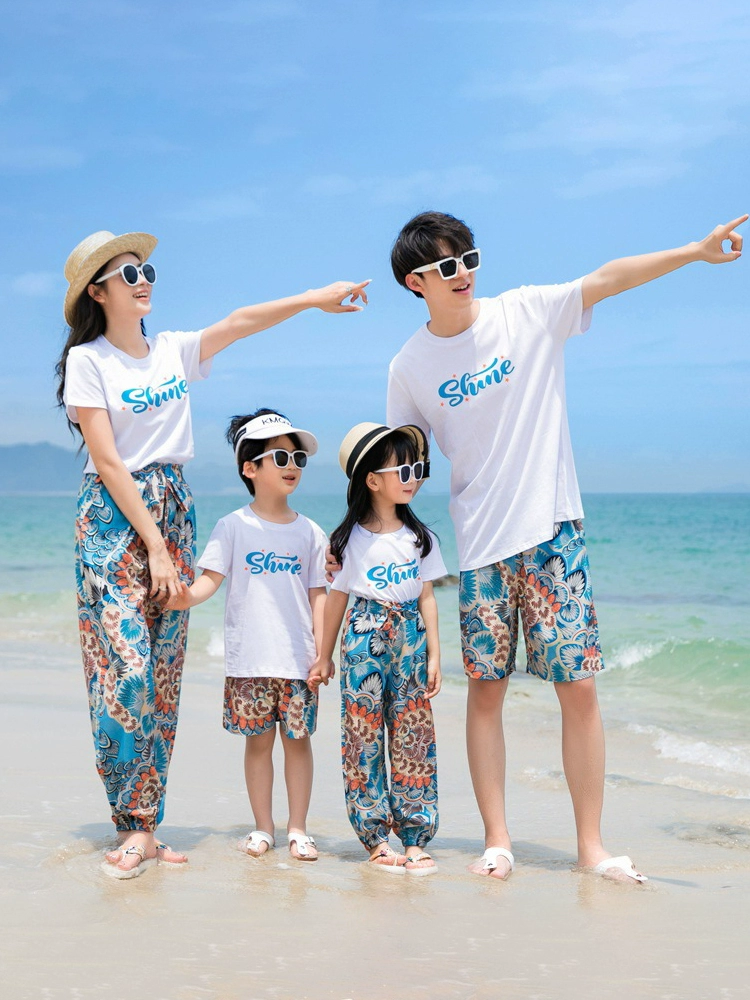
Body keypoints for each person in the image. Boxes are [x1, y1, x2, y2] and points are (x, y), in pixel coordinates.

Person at [383, 210, 746, 883]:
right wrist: (372, 541)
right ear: (416, 282)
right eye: (446, 266)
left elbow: (608, 278)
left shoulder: (526, 312)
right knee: (486, 692)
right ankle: (498, 841)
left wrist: (695, 252)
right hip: (482, 545)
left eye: (469, 259)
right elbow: (400, 464)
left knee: (578, 687)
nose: (463, 274)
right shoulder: (408, 367)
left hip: (554, 532)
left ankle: (591, 847)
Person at [55, 228, 368, 878]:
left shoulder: (172, 350)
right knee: (125, 673)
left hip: (173, 504)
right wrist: (155, 547)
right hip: (114, 517)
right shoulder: (89, 359)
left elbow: (239, 322)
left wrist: (313, 298)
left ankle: (146, 826)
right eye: (129, 274)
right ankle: (130, 821)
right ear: (98, 292)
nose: (144, 282)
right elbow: (108, 461)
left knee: (163, 679)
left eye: (147, 272)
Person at [167, 409, 327, 862]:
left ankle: (298, 829)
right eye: (280, 457)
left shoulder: (311, 532)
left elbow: (318, 595)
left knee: (298, 744)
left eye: (298, 458)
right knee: (257, 744)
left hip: (298, 660)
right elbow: (209, 581)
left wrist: (323, 653)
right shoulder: (233, 526)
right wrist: (181, 598)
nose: (292, 465)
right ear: (249, 468)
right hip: (250, 659)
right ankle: (263, 827)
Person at [309, 423, 446, 874]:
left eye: (417, 470)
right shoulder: (349, 540)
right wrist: (323, 655)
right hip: (363, 637)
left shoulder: (420, 538)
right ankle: (375, 838)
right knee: (362, 735)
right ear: (371, 480)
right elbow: (337, 599)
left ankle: (415, 836)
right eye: (402, 470)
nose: (413, 478)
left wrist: (435, 655)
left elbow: (427, 597)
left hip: (410, 637)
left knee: (413, 735)